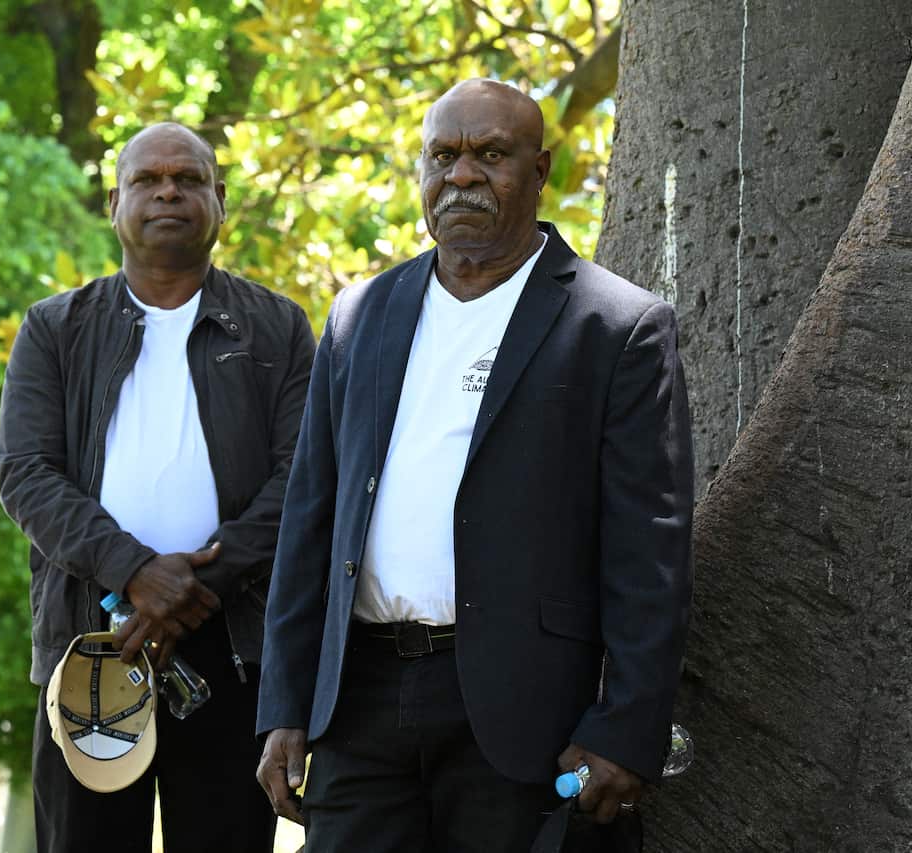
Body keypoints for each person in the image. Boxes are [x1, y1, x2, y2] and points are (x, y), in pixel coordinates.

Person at [255, 79, 694, 852]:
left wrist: (627, 725)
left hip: (525, 714)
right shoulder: (359, 317)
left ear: (540, 170)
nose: (462, 175)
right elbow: (310, 522)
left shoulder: (616, 327)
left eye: (491, 155)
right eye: (443, 156)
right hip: (359, 703)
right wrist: (285, 702)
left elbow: (648, 549)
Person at [0, 122, 315, 853]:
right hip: (91, 647)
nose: (168, 190)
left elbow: (302, 475)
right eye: (147, 179)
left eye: (188, 178)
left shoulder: (277, 329)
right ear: (115, 203)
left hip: (233, 653)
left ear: (220, 201)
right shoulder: (54, 330)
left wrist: (195, 585)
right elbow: (25, 473)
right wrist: (136, 572)